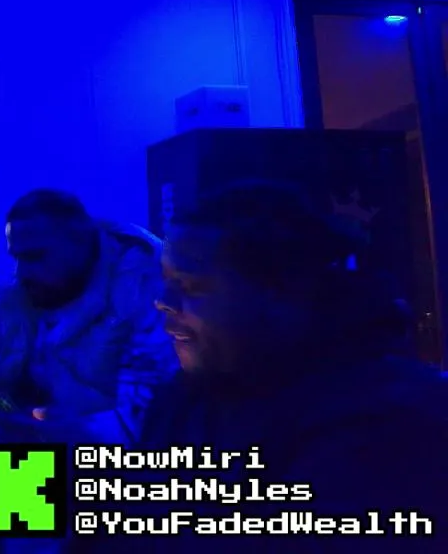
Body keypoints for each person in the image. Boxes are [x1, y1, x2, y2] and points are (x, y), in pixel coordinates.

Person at [73, 182, 448, 553]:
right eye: (167, 281)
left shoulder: (390, 418)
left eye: (192, 285)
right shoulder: (185, 398)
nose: (162, 301)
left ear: (278, 292)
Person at [0, 189, 176, 542]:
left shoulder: (150, 295)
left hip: (124, 474)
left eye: (35, 256)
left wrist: (50, 435)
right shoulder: (33, 284)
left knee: (19, 493)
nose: (22, 272)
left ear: (80, 242)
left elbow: (148, 422)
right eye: (18, 257)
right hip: (39, 445)